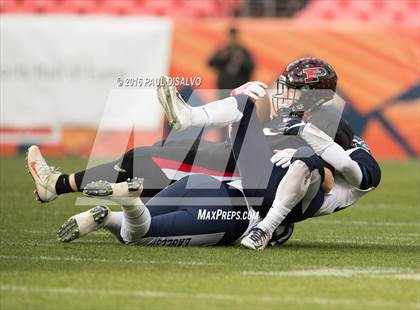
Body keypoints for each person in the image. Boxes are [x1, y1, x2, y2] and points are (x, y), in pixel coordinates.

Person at [54, 74, 380, 249]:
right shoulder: (303, 142)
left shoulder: (332, 160)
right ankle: (122, 207)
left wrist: (306, 141)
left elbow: (331, 173)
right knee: (140, 230)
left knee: (138, 231)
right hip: (230, 199)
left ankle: (114, 212)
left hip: (243, 211)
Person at [26, 58, 353, 210]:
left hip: (248, 177)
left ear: (314, 93)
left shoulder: (325, 119)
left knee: (142, 158)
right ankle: (59, 186)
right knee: (154, 157)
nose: (284, 89)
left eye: (293, 86)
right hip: (238, 166)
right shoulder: (290, 112)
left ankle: (58, 185)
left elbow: (321, 170)